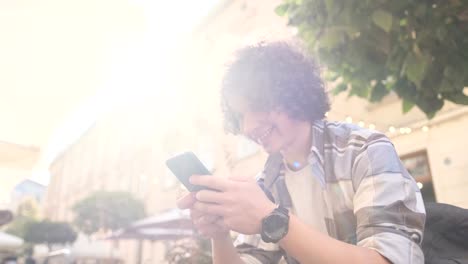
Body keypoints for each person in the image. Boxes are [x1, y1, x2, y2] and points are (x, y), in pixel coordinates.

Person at [177, 42, 425, 264]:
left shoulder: (364, 151)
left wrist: (271, 218)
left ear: (291, 93)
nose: (247, 127)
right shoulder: (266, 185)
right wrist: (219, 235)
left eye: (256, 106)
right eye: (240, 116)